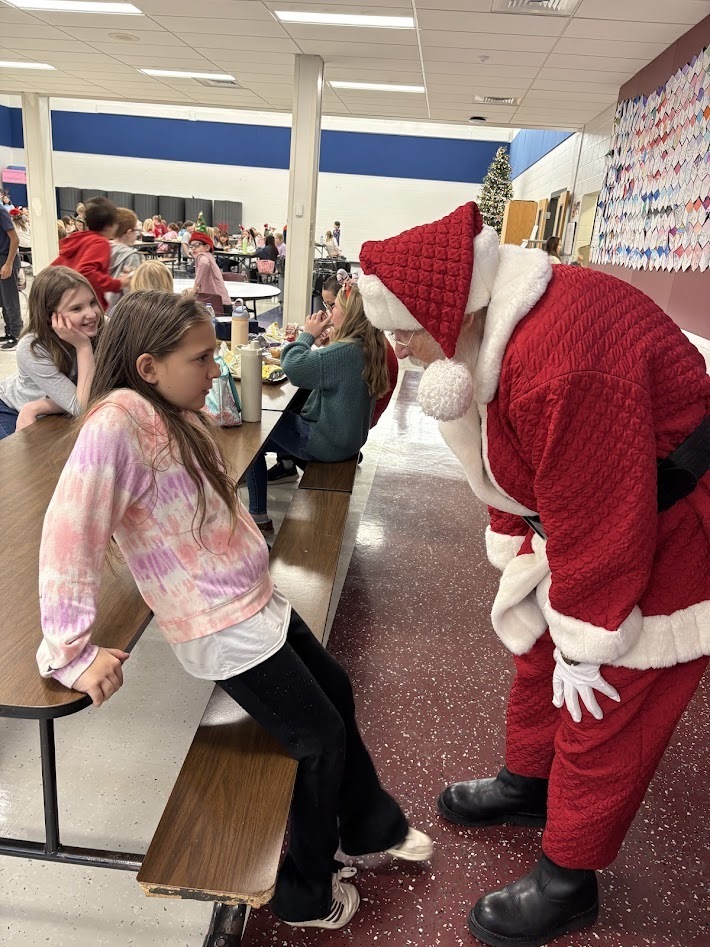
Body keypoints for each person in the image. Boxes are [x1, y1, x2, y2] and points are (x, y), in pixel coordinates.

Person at [357, 201, 710, 947]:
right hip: (604, 509)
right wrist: (523, 553)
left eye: (402, 330)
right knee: (539, 652)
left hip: (678, 526)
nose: (400, 348)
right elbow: (514, 466)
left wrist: (590, 632)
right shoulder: (495, 331)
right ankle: (528, 785)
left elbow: (603, 513)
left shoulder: (559, 359)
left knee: (605, 695)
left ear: (444, 307)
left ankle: (568, 877)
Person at [35, 290, 433, 929]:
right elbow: (68, 532)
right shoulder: (119, 422)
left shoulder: (170, 411)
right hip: (221, 626)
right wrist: (70, 653)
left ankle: (365, 824)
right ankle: (306, 894)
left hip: (249, 603)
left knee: (335, 687)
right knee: (320, 742)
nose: (213, 369)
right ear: (148, 367)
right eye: (201, 359)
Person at [247, 283, 389, 532]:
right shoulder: (367, 344)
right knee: (287, 415)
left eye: (334, 307)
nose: (330, 312)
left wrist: (307, 334)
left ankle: (257, 515)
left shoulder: (346, 351)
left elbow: (294, 367)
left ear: (350, 314)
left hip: (325, 443)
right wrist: (327, 344)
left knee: (251, 436)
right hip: (347, 440)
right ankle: (288, 465)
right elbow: (336, 375)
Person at [0, 266, 103, 438]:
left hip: (48, 409)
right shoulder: (32, 348)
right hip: (11, 409)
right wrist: (83, 347)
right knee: (17, 461)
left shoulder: (100, 326)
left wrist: (39, 405)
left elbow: (106, 389)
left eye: (92, 302)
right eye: (76, 308)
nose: (91, 314)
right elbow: (83, 407)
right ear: (50, 317)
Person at [52, 197, 132, 310]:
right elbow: (85, 272)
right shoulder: (100, 243)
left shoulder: (78, 239)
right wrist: (118, 283)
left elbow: (54, 268)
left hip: (66, 301)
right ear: (110, 225)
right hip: (84, 305)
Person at [107, 208, 143, 307]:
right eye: (137, 231)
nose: (137, 234)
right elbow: (133, 291)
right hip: (120, 310)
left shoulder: (102, 248)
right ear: (129, 232)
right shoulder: (132, 256)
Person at [189, 231, 231, 313]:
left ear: (207, 247)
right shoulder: (208, 256)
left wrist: (194, 288)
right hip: (220, 300)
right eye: (191, 246)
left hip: (216, 303)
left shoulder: (202, 256)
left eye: (197, 245)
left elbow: (204, 263)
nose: (193, 248)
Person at [0, 197, 22, 351]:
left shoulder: (1, 211)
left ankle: (16, 334)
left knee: (10, 299)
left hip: (7, 258)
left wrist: (8, 264)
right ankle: (9, 331)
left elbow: (15, 239)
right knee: (3, 299)